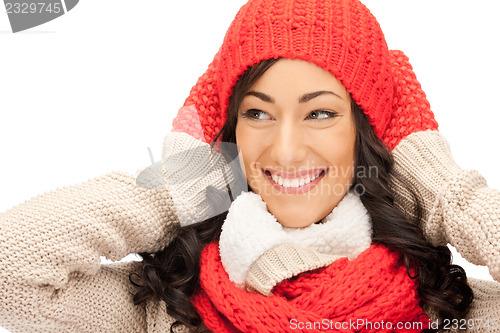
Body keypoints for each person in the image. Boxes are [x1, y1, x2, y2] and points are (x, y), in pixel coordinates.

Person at [0, 0, 499, 333]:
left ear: (365, 132)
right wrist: (185, 184)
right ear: (230, 131)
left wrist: (439, 186)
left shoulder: (446, 312)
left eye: (319, 113)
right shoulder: (162, 307)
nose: (284, 151)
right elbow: (10, 271)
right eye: (257, 113)